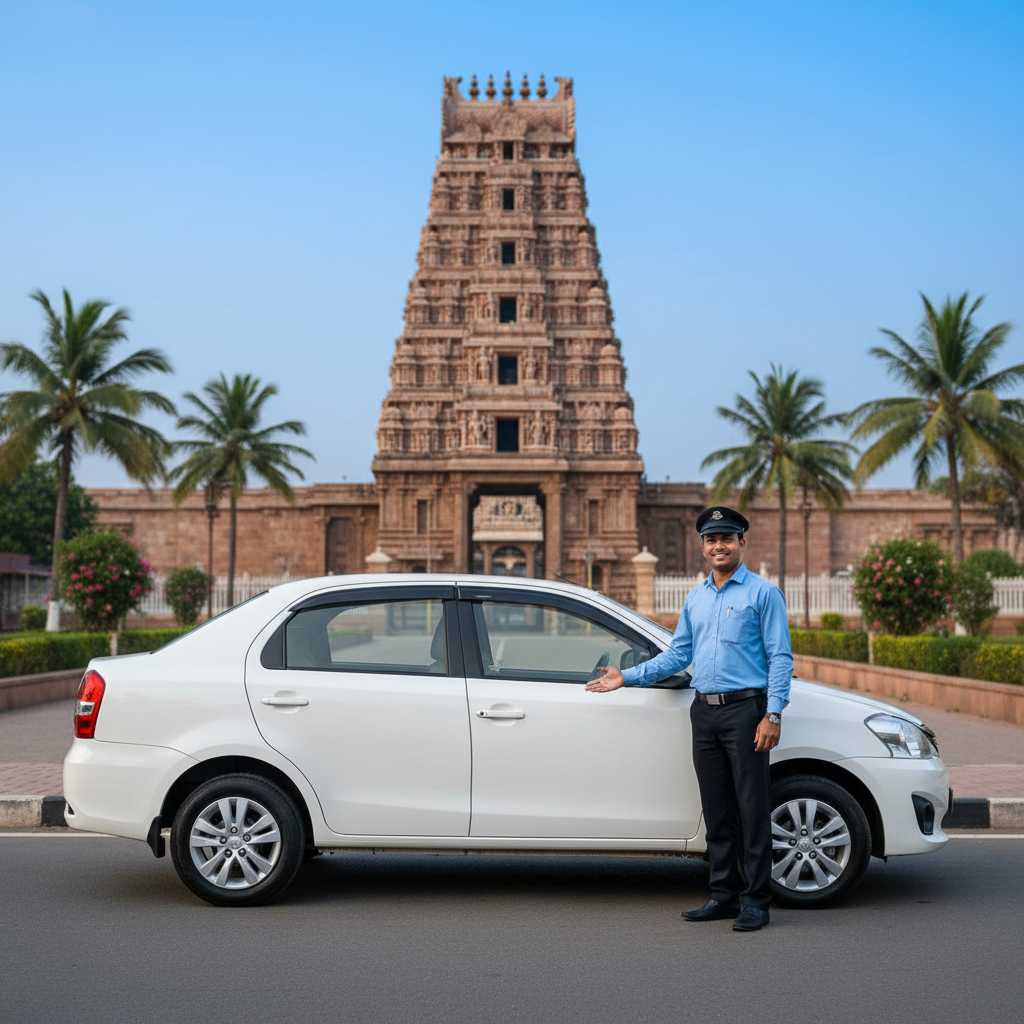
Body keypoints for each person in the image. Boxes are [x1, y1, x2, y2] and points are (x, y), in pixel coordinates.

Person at [587, 506, 792, 931]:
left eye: (727, 538)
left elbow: (779, 658)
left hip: (746, 711)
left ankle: (756, 900)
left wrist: (772, 714)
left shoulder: (762, 594)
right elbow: (680, 654)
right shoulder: (696, 597)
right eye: (711, 540)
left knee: (752, 809)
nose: (719, 546)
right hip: (705, 711)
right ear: (703, 546)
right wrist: (626, 677)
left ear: (742, 543)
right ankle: (723, 894)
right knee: (716, 809)